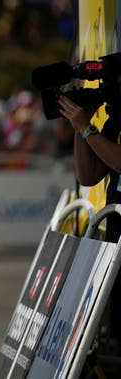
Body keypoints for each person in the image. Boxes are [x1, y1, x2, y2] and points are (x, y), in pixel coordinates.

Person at [59, 94, 121, 338]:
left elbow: (118, 161)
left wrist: (86, 127)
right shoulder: (117, 117)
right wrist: (79, 126)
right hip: (116, 232)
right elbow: (88, 175)